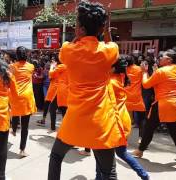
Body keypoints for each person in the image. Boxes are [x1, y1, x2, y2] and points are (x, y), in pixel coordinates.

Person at [48, 2, 126, 179]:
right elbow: (110, 46)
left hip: (75, 119)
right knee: (109, 172)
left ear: (80, 29)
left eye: (76, 24)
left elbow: (70, 46)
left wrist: (80, 35)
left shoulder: (67, 51)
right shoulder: (109, 50)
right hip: (101, 122)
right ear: (101, 28)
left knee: (56, 156)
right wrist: (104, 31)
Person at [133, 49, 176, 171]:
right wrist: (155, 72)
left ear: (169, 59)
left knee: (149, 128)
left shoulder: (162, 71)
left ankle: (139, 150)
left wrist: (144, 72)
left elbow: (146, 84)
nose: (159, 58)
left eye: (162, 57)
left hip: (163, 104)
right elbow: (163, 83)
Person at [107, 55, 149, 180]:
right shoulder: (121, 76)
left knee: (105, 156)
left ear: (114, 68)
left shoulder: (111, 82)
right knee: (120, 153)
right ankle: (144, 175)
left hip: (115, 122)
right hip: (122, 117)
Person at [10, 46, 37, 157]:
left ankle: (14, 130)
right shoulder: (31, 66)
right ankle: (22, 150)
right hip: (27, 97)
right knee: (25, 126)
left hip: (16, 95)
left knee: (15, 113)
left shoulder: (11, 66)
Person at [124, 55, 146, 141]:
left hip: (125, 97)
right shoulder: (139, 69)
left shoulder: (123, 70)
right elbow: (145, 81)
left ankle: (124, 138)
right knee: (142, 118)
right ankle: (141, 138)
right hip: (137, 97)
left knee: (126, 119)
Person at [45, 58, 68, 132]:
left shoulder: (61, 66)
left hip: (60, 90)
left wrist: (52, 66)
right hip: (67, 89)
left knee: (52, 108)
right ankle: (66, 128)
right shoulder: (69, 66)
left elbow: (51, 74)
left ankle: (53, 127)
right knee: (64, 109)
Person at [37, 58, 58, 126]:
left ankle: (47, 123)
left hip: (53, 89)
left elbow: (50, 76)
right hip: (57, 89)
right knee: (57, 108)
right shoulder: (62, 67)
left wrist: (52, 67)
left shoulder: (56, 68)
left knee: (49, 106)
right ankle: (48, 123)